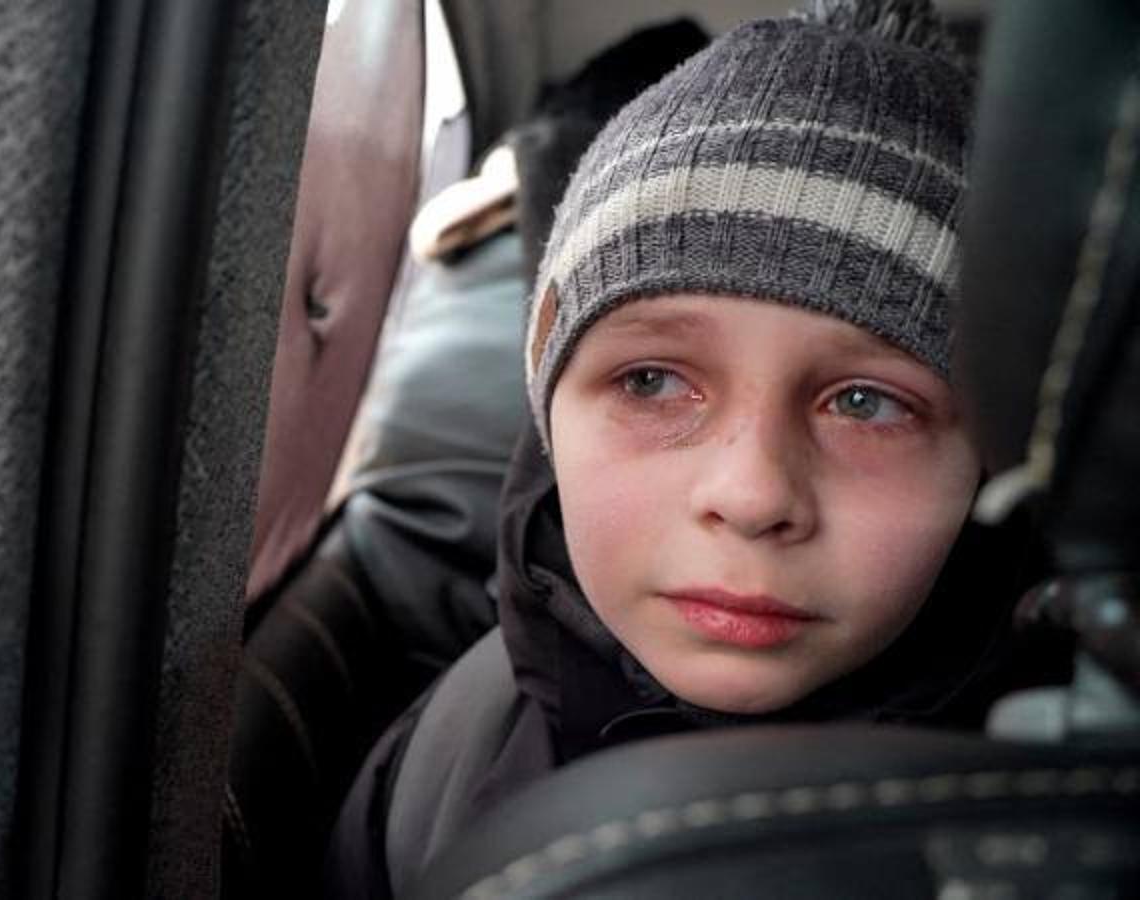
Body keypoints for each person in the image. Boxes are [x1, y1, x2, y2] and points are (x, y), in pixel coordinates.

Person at [321, 1, 1066, 896]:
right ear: (548, 403)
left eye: (866, 402)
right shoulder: (442, 757)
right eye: (652, 383)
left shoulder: (1063, 806)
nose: (751, 495)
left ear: (991, 457)